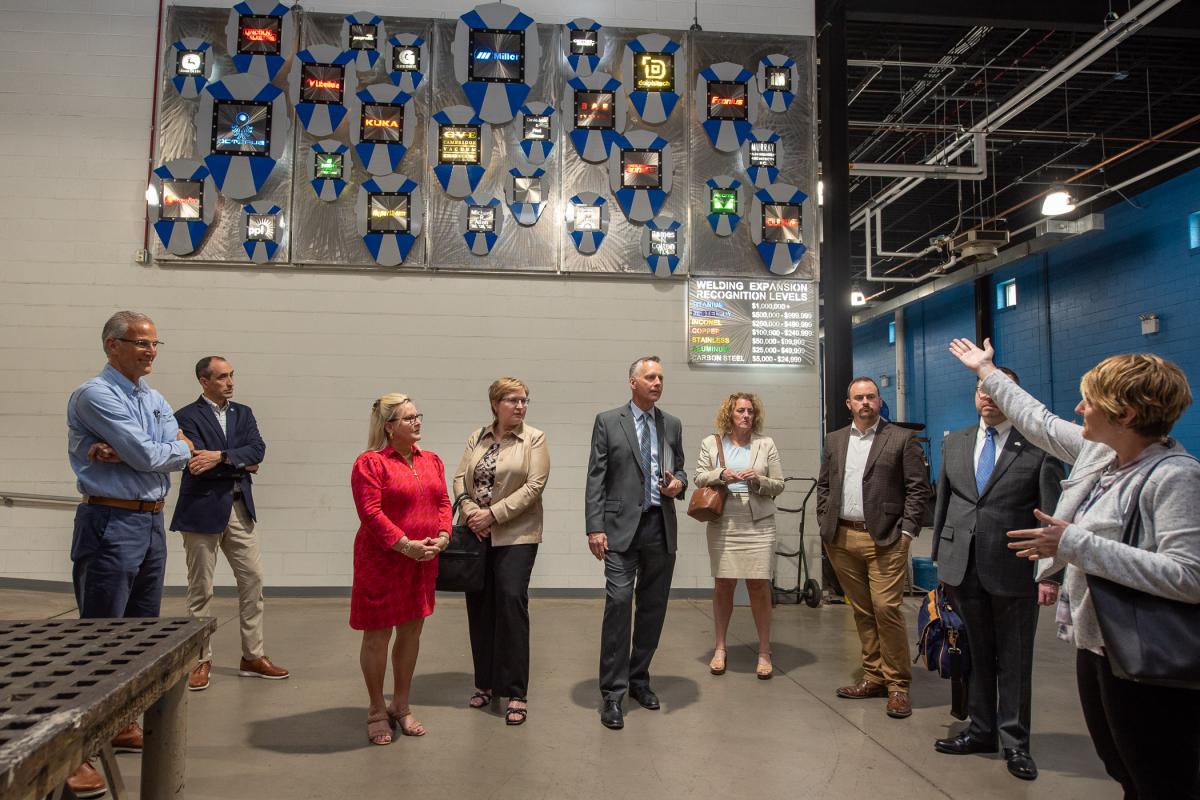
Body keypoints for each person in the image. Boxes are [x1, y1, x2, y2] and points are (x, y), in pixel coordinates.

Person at [950, 339, 1200, 798]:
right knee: (1122, 767)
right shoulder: (1100, 455)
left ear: (1126, 414)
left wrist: (1073, 543)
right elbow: (1038, 420)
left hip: (1146, 657)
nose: (1079, 408)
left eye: (1090, 401)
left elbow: (1190, 576)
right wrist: (987, 371)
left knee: (1158, 778)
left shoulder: (1176, 476)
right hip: (1098, 643)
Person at [65, 310, 198, 797]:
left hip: (150, 521)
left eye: (155, 343)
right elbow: (153, 454)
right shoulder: (96, 395)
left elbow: (181, 447)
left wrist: (151, 450)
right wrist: (156, 452)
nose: (150, 351)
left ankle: (121, 722)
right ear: (111, 345)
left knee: (140, 632)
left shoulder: (153, 398)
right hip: (110, 521)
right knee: (101, 636)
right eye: (141, 343)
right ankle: (76, 752)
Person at [930, 367, 1065, 781]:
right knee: (975, 655)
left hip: (1015, 569)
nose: (986, 397)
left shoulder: (1039, 447)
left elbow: (1052, 515)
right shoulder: (956, 442)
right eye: (980, 390)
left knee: (1014, 660)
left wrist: (1050, 575)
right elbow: (945, 504)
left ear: (1012, 396)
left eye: (995, 391)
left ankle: (1016, 743)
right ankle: (981, 731)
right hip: (963, 566)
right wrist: (940, 560)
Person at [816, 376, 932, 719]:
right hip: (842, 538)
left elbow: (918, 489)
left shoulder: (901, 439)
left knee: (886, 608)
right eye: (859, 398)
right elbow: (825, 485)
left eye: (871, 397)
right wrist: (824, 522)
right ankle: (874, 676)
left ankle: (898, 685)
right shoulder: (835, 439)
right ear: (848, 404)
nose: (865, 402)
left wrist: (907, 533)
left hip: (886, 539)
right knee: (863, 611)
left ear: (880, 401)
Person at [171, 356, 288, 692]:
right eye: (222, 377)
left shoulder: (243, 413)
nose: (230, 382)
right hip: (201, 510)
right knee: (201, 589)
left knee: (253, 581)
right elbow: (195, 462)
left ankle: (253, 656)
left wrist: (221, 457)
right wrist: (239, 462)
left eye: (232, 376)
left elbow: (258, 451)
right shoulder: (185, 416)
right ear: (204, 381)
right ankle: (200, 658)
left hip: (239, 508)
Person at [585, 356, 687, 730]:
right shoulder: (608, 421)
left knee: (653, 606)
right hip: (619, 528)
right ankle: (613, 693)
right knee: (618, 602)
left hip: (660, 525)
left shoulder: (671, 424)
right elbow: (596, 478)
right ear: (633, 382)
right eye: (650, 377)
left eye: (660, 377)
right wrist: (594, 528)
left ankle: (639, 679)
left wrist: (679, 484)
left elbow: (681, 469)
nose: (657, 383)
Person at [350, 393, 451, 745]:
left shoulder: (432, 460)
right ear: (389, 427)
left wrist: (443, 536)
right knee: (377, 637)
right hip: (382, 561)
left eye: (418, 415)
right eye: (409, 418)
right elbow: (371, 513)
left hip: (422, 561)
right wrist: (405, 545)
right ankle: (377, 710)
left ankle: (401, 705)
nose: (417, 421)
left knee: (411, 633)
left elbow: (442, 501)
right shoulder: (370, 463)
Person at [453, 378, 550, 726]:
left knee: (511, 604)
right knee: (480, 607)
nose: (521, 406)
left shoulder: (534, 438)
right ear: (495, 404)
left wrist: (492, 515)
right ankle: (486, 683)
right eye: (513, 400)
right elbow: (459, 479)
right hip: (476, 534)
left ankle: (515, 691)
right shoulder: (477, 437)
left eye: (524, 400)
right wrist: (470, 513)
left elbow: (534, 486)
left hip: (517, 536)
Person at [693, 393, 785, 679]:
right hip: (724, 519)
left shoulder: (765, 444)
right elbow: (698, 477)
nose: (746, 415)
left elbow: (779, 484)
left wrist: (758, 480)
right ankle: (720, 648)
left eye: (750, 411)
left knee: (759, 585)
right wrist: (722, 474)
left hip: (759, 521)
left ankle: (764, 651)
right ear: (729, 415)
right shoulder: (711, 443)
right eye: (740, 411)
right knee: (724, 584)